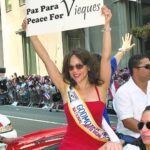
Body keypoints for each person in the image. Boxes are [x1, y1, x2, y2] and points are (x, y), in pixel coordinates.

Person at [22, 5, 122, 150]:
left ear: (88, 66)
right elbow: (47, 60)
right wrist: (31, 34)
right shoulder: (65, 88)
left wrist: (107, 24)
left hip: (99, 147)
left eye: (79, 66)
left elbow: (106, 58)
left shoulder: (101, 88)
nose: (75, 70)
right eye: (71, 67)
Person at [113, 54, 150, 144]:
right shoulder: (123, 92)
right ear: (135, 70)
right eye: (147, 67)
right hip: (131, 139)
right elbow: (128, 122)